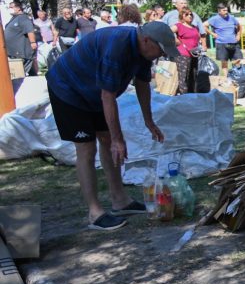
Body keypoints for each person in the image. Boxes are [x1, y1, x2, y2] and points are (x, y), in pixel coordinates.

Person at [45, 22, 175, 231]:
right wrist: (117, 138)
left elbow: (142, 86)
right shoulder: (117, 47)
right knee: (87, 148)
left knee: (106, 140)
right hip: (68, 90)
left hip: (94, 93)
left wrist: (148, 121)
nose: (161, 55)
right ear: (146, 40)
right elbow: (108, 95)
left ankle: (120, 200)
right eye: (160, 50)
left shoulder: (144, 53)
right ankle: (94, 212)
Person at [171, 7, 201, 95]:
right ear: (182, 16)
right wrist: (176, 40)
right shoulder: (179, 25)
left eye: (191, 14)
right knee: (184, 76)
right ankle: (184, 96)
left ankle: (193, 95)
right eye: (187, 14)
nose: (190, 16)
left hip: (194, 54)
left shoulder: (195, 27)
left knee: (193, 76)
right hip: (182, 54)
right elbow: (167, 32)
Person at [208, 3, 242, 75]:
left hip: (234, 43)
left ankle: (237, 76)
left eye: (227, 10)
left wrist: (238, 35)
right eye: (224, 10)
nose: (226, 12)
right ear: (219, 11)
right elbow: (204, 25)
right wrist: (212, 34)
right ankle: (226, 78)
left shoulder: (231, 17)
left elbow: (239, 26)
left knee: (238, 60)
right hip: (221, 43)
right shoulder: (214, 19)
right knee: (224, 62)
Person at [4, 1, 37, 76]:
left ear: (18, 8)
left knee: (20, 75)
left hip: (21, 53)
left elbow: (30, 30)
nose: (10, 9)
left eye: (11, 7)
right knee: (29, 74)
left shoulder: (23, 18)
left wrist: (33, 42)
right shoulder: (13, 19)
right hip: (12, 53)